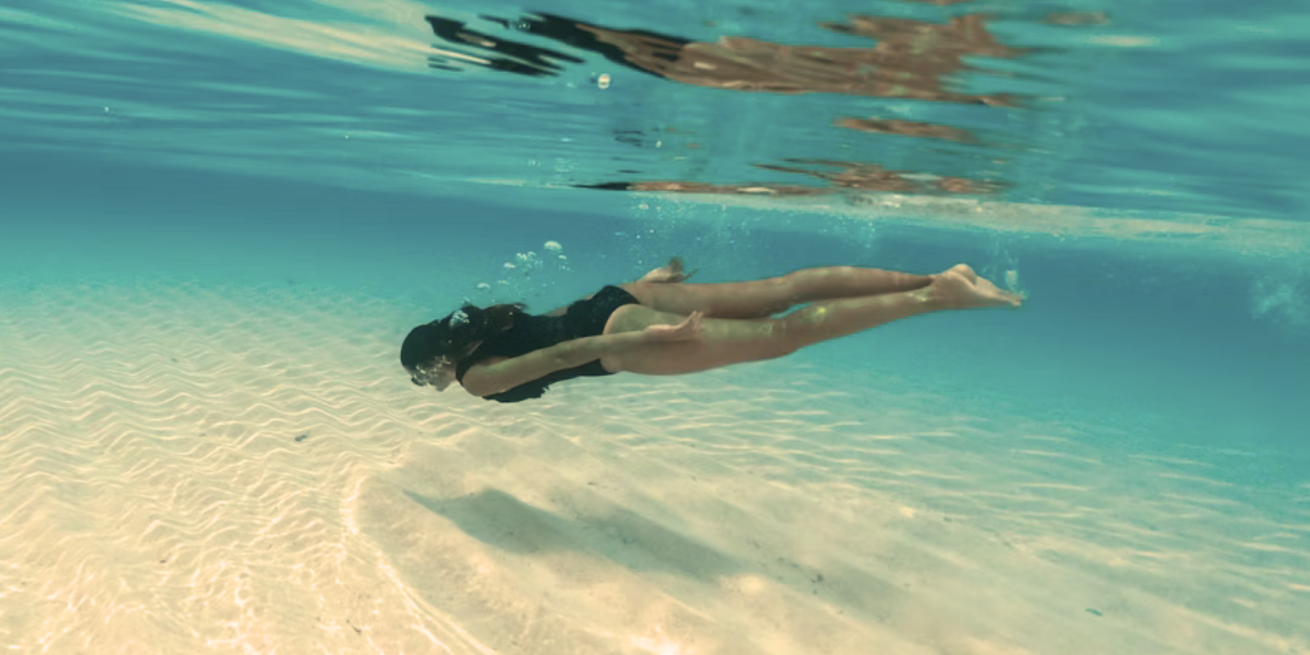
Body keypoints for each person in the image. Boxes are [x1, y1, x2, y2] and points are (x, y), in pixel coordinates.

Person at [401, 259, 1022, 402]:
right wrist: (637, 287)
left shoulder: (476, 378)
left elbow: (570, 350)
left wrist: (642, 342)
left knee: (783, 335)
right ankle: (944, 276)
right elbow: (564, 318)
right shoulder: (492, 326)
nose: (427, 383)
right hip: (621, 296)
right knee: (787, 290)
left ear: (441, 359)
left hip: (624, 332)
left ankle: (936, 296)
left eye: (421, 375)